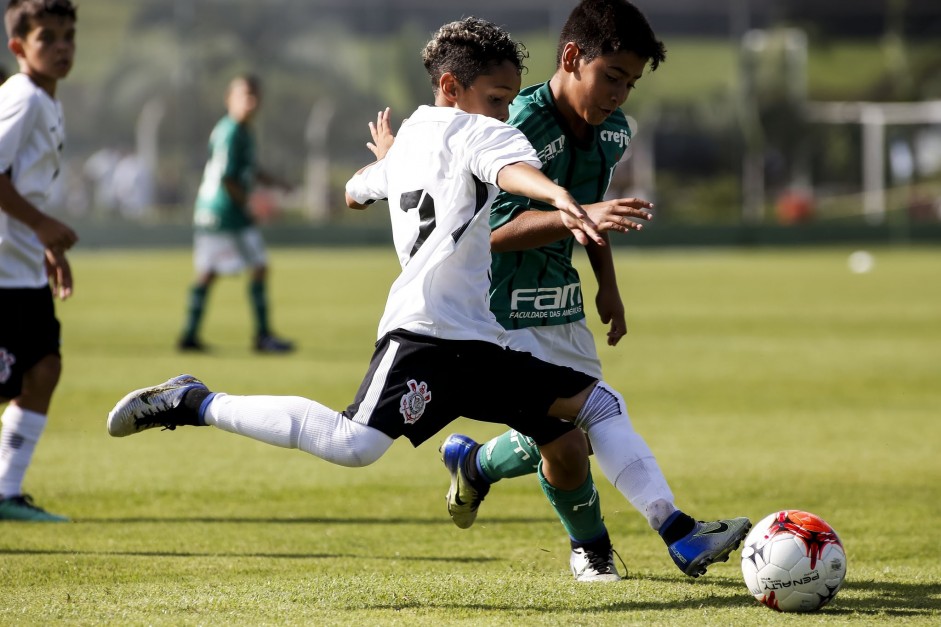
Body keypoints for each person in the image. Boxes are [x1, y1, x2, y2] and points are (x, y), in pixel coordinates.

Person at [107, 17, 747, 583]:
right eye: (495, 98)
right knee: (354, 445)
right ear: (452, 89)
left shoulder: (417, 134)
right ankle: (196, 401)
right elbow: (507, 170)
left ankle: (678, 531)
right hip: (423, 334)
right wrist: (556, 197)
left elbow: (358, 191)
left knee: (594, 405)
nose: (503, 112)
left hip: (476, 342)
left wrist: (387, 167)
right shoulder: (481, 133)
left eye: (506, 99)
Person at [439, 0, 750, 582]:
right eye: (612, 76)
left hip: (560, 299)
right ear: (572, 56)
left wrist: (608, 286)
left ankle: (475, 465)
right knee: (582, 428)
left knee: (560, 439)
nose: (619, 94)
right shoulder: (516, 123)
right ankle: (640, 540)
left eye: (630, 83)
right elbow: (486, 236)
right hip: (495, 308)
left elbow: (592, 216)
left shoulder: (612, 131)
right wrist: (578, 214)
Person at [0, 0, 79, 522]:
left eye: (68, 36)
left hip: (21, 267)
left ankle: (6, 493)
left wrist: (46, 245)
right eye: (46, 37)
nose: (61, 47)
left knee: (43, 369)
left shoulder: (48, 102)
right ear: (18, 46)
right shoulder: (22, 97)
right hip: (1, 272)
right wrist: (44, 227)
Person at [178, 74, 294, 354]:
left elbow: (248, 170)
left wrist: (277, 183)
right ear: (229, 99)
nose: (251, 101)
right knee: (254, 267)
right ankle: (262, 337)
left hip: (215, 210)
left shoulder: (237, 130)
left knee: (211, 272)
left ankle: (189, 336)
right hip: (224, 212)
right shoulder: (232, 132)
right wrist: (249, 206)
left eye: (254, 96)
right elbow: (229, 178)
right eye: (245, 95)